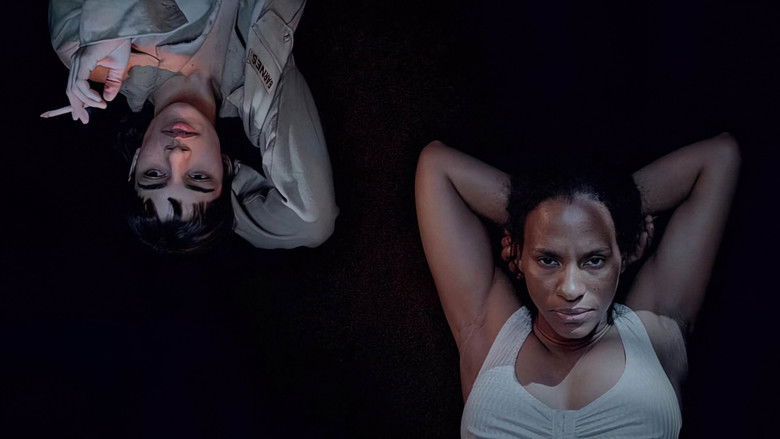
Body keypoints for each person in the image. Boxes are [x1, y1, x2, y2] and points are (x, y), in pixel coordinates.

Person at [415, 134, 740, 438]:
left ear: (624, 255)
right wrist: (535, 213)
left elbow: (718, 157)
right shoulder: (489, 335)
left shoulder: (654, 333)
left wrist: (610, 206)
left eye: (594, 260)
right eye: (548, 259)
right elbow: (437, 165)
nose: (570, 290)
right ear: (517, 255)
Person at [47, 0, 338, 253]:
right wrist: (215, 219)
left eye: (153, 174)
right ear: (225, 167)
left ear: (135, 161)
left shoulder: (87, 50)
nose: (176, 155)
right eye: (198, 177)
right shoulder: (257, 94)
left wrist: (116, 26)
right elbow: (309, 222)